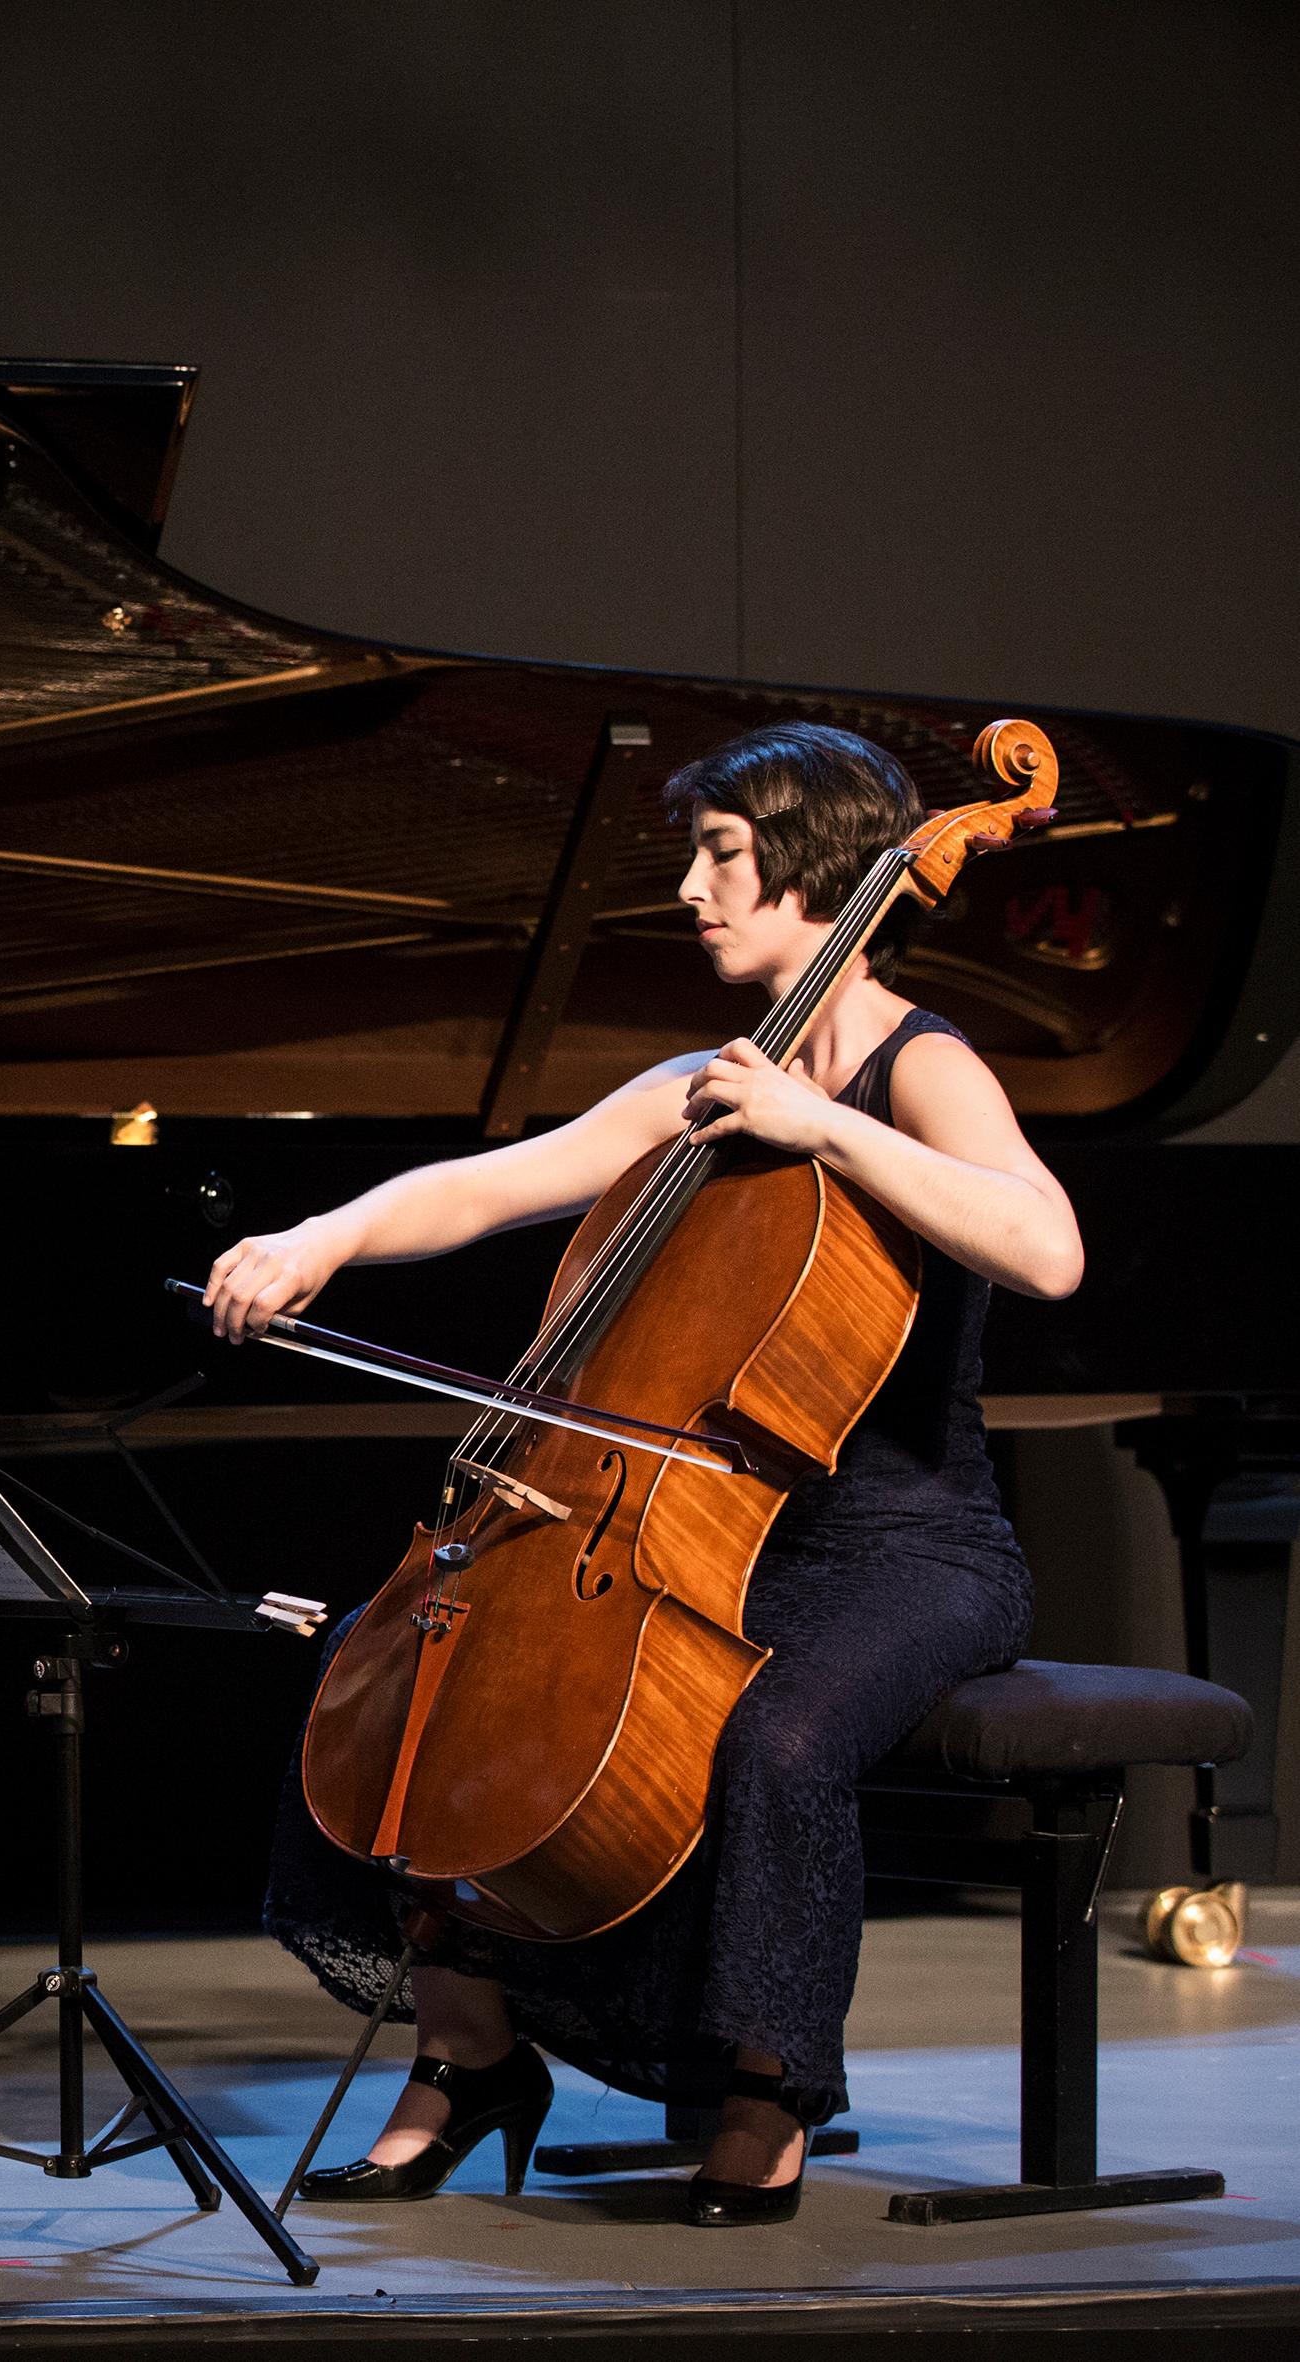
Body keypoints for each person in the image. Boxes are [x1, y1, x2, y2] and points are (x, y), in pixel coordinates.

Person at [208, 723, 1082, 2228]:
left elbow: (1045, 1248)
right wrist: (326, 1236)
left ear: (816, 862)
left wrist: (827, 1129)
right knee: (410, 1663)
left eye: (721, 853)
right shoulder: (697, 1078)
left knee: (771, 1739)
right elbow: (491, 1183)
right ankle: (466, 2052)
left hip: (902, 1547)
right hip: (690, 1523)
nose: (688, 887)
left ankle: (761, 2093)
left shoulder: (917, 1063)